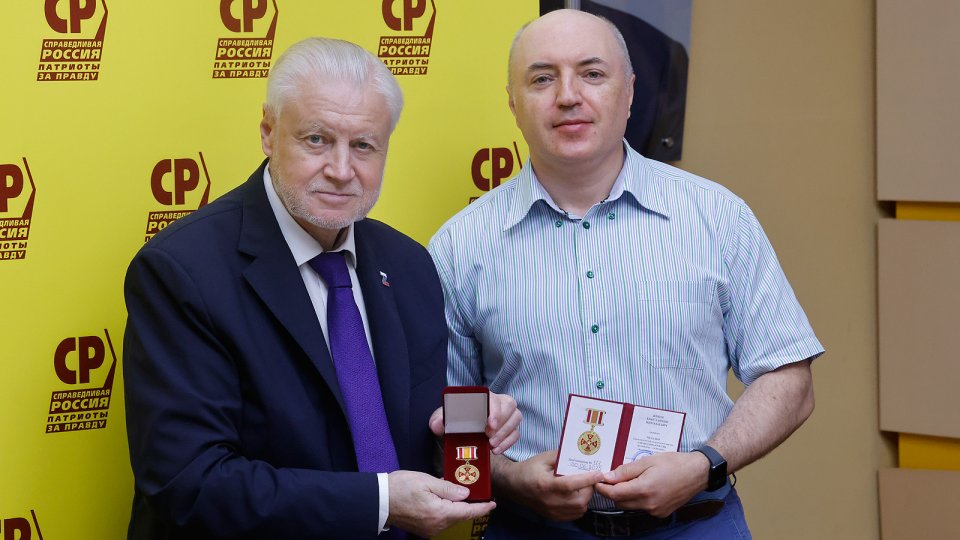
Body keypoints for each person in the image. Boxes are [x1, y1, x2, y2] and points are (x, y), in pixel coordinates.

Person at [428, 9, 824, 539]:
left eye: (592, 74)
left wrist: (704, 463)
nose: (568, 96)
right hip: (532, 530)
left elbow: (789, 380)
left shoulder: (717, 217)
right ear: (513, 103)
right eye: (542, 79)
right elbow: (446, 423)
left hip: (694, 526)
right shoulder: (459, 246)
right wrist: (514, 479)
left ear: (630, 91)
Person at [122, 37, 520, 540]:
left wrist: (463, 434)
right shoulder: (182, 272)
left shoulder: (409, 265)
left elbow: (402, 441)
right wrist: (381, 502)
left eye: (363, 146)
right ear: (268, 132)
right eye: (316, 139)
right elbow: (189, 485)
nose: (341, 170)